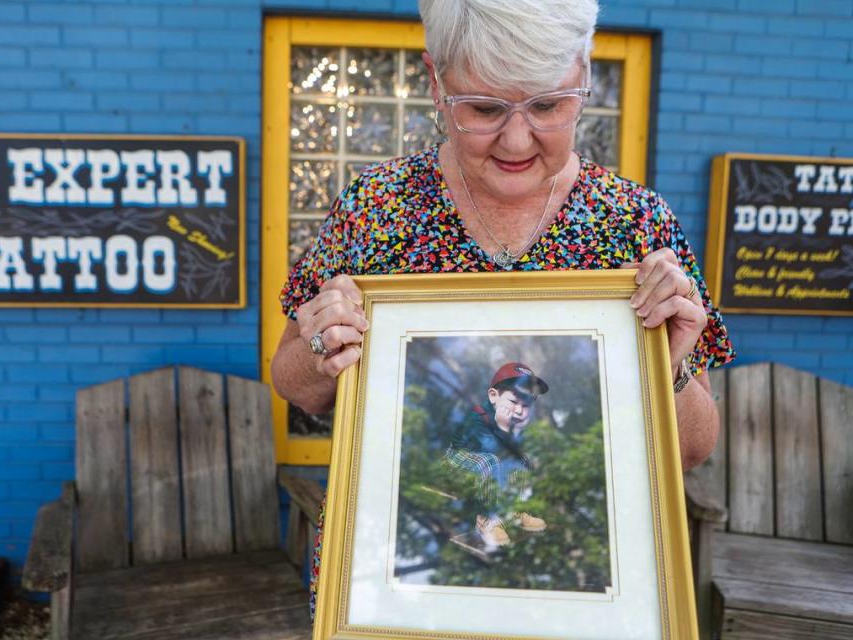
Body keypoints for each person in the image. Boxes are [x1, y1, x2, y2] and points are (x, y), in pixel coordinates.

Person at [271, 0, 735, 619]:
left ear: (583, 71)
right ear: (436, 83)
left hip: (578, 599)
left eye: (548, 105)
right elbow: (292, 382)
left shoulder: (637, 224)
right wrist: (322, 346)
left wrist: (668, 367)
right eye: (484, 109)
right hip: (394, 591)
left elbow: (693, 451)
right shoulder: (376, 207)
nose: (517, 139)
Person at [444, 362, 550, 550]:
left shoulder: (517, 424)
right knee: (489, 461)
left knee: (521, 461)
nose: (519, 410)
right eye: (513, 402)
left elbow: (513, 451)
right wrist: (502, 426)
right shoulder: (479, 416)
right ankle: (487, 520)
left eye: (526, 405)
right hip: (458, 458)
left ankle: (517, 511)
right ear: (493, 396)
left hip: (491, 460)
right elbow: (487, 448)